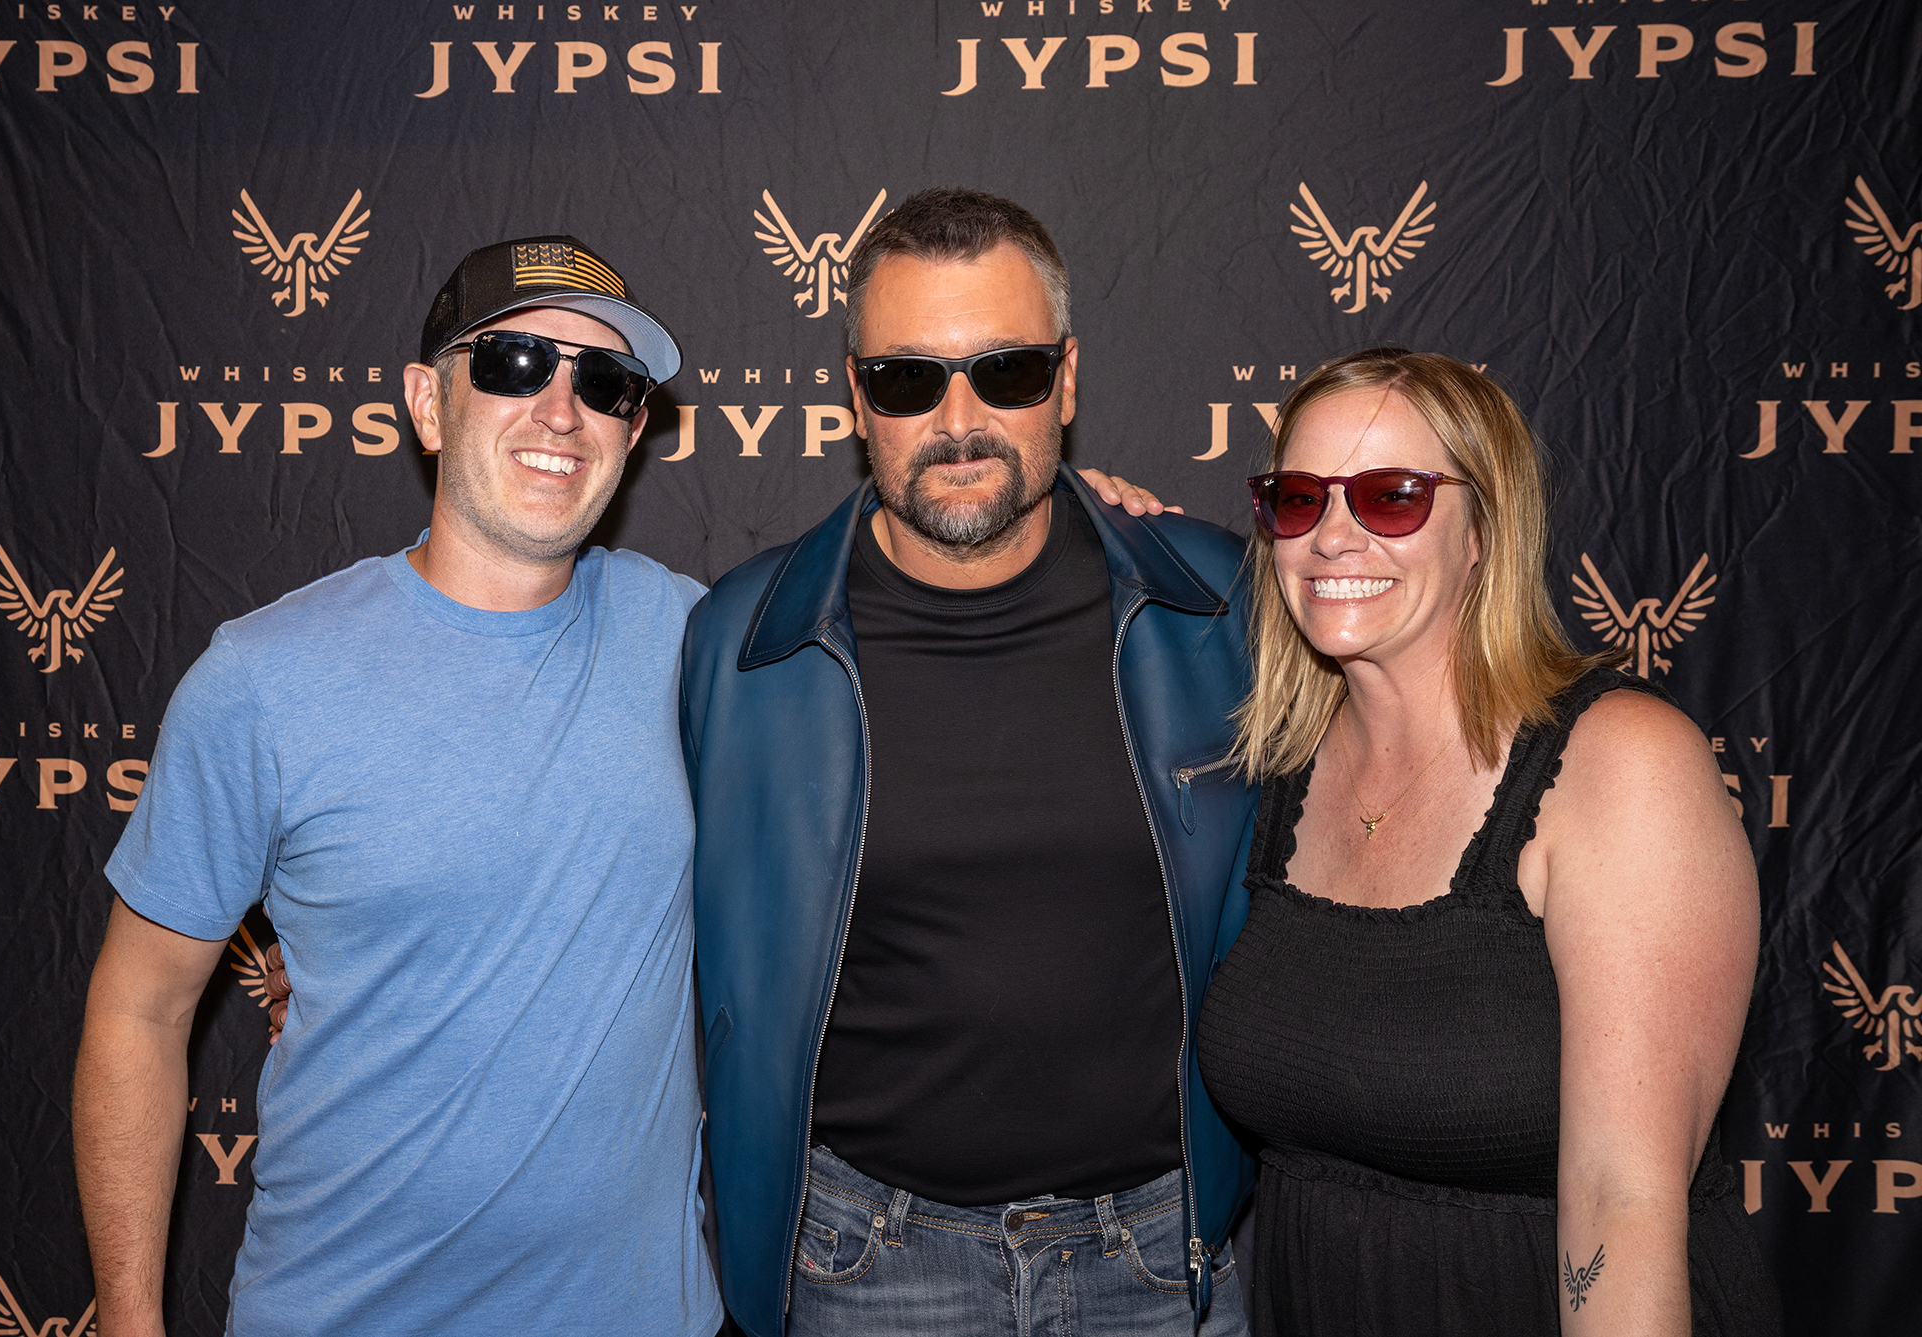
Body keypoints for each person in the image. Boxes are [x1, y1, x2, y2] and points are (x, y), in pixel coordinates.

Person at [72, 235, 725, 1337]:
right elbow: (140, 1008)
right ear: (428, 404)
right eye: (514, 363)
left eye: (606, 382)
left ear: (631, 428)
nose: (561, 410)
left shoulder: (694, 638)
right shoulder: (264, 679)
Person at [680, 187, 1259, 1337]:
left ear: (1066, 381)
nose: (958, 420)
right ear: (856, 396)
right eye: (908, 378)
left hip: (1162, 1256)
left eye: (1007, 372)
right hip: (863, 1266)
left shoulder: (1217, 604)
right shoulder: (741, 642)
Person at [1194, 349, 1780, 1335]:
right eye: (1297, 498)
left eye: (1391, 496)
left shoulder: (1619, 763)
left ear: (1482, 531)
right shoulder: (1280, 765)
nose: (1331, 535)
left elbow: (1624, 1203)